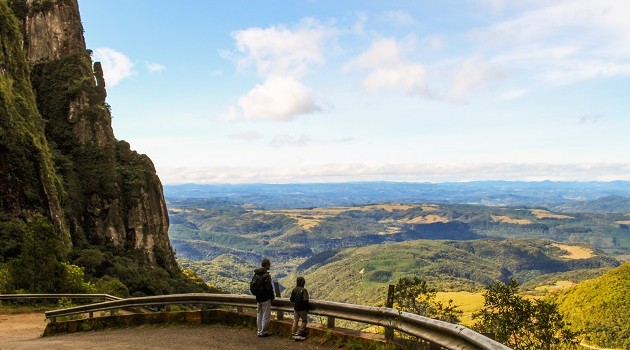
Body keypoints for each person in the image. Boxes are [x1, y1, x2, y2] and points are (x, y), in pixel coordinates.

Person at [251, 258, 274, 337]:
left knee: (259, 314)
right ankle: (264, 332)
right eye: (269, 265)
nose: (270, 266)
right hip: (265, 298)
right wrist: (272, 297)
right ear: (266, 265)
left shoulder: (256, 274)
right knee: (266, 315)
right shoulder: (266, 275)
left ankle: (259, 331)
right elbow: (269, 288)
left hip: (258, 297)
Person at [290, 276, 310, 341]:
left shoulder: (294, 290)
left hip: (296, 308)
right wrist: (307, 308)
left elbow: (291, 299)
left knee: (295, 321)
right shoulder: (304, 290)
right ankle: (298, 333)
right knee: (304, 321)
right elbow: (306, 300)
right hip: (303, 309)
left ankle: (293, 333)